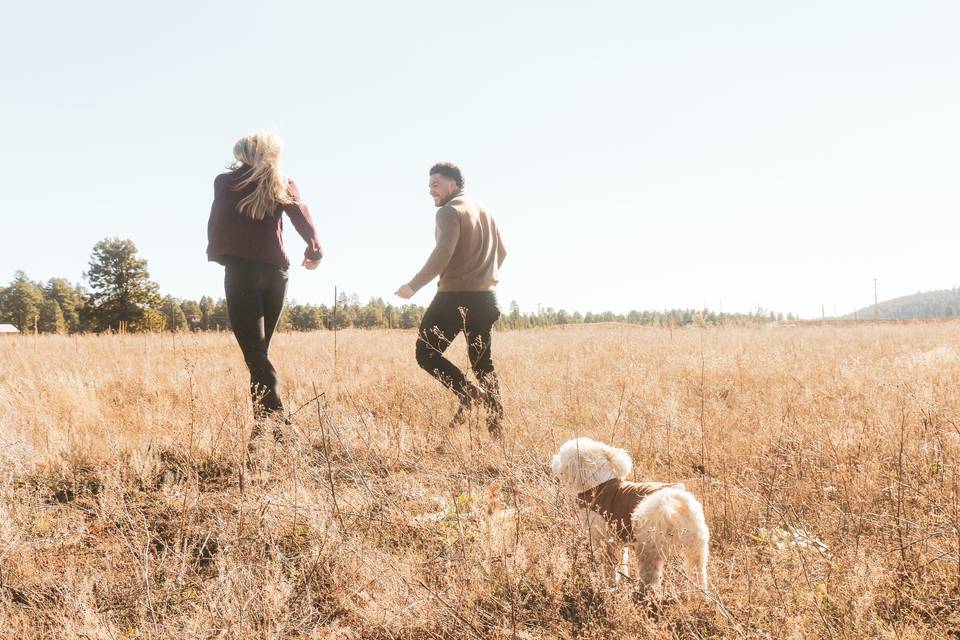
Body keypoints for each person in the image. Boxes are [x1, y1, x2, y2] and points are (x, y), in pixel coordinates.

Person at [206, 132, 322, 434]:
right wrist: (314, 250)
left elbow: (217, 222)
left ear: (244, 154)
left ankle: (280, 422)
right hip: (276, 275)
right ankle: (262, 426)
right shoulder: (283, 182)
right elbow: (302, 217)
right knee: (259, 354)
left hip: (242, 273)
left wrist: (220, 255)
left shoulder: (226, 182)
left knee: (255, 354)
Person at [395, 162, 507, 435]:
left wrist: (414, 285)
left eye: (436, 185)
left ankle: (468, 392)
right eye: (429, 186)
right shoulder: (485, 212)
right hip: (486, 299)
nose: (431, 191)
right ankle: (496, 427)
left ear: (453, 185)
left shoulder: (449, 211)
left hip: (454, 297)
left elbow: (443, 251)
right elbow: (502, 252)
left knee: (426, 353)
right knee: (482, 363)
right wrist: (482, 277)